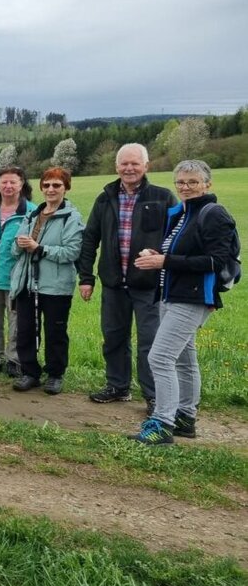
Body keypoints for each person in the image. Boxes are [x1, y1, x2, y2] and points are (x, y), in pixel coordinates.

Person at [129, 160, 236, 444]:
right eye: (181, 182)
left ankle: (163, 423)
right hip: (172, 294)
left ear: (207, 184)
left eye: (193, 182)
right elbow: (178, 255)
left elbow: (215, 261)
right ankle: (185, 418)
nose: (185, 187)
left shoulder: (214, 214)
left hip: (193, 297)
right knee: (184, 359)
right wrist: (158, 256)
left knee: (160, 357)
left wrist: (165, 261)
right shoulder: (181, 214)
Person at [76, 143, 173, 410]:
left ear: (146, 166)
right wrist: (86, 277)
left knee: (150, 342)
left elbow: (176, 239)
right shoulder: (105, 198)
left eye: (135, 163)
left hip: (148, 285)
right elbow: (90, 239)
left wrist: (163, 259)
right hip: (113, 283)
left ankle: (153, 395)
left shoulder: (163, 197)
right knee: (114, 337)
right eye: (124, 164)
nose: (129, 168)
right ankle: (118, 386)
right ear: (116, 166)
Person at [9, 168, 84, 394]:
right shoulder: (32, 215)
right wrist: (20, 244)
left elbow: (72, 252)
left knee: (55, 333)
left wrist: (39, 248)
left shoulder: (71, 217)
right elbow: (14, 249)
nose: (51, 189)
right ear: (41, 188)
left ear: (66, 188)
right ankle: (30, 373)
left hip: (56, 285)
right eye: (47, 185)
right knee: (25, 330)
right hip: (27, 282)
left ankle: (55, 375)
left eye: (56, 185)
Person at [0, 166, 36, 376]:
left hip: (17, 277)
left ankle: (14, 360)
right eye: (4, 182)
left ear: (22, 184)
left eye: (13, 182)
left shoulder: (32, 212)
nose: (8, 186)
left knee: (16, 321)